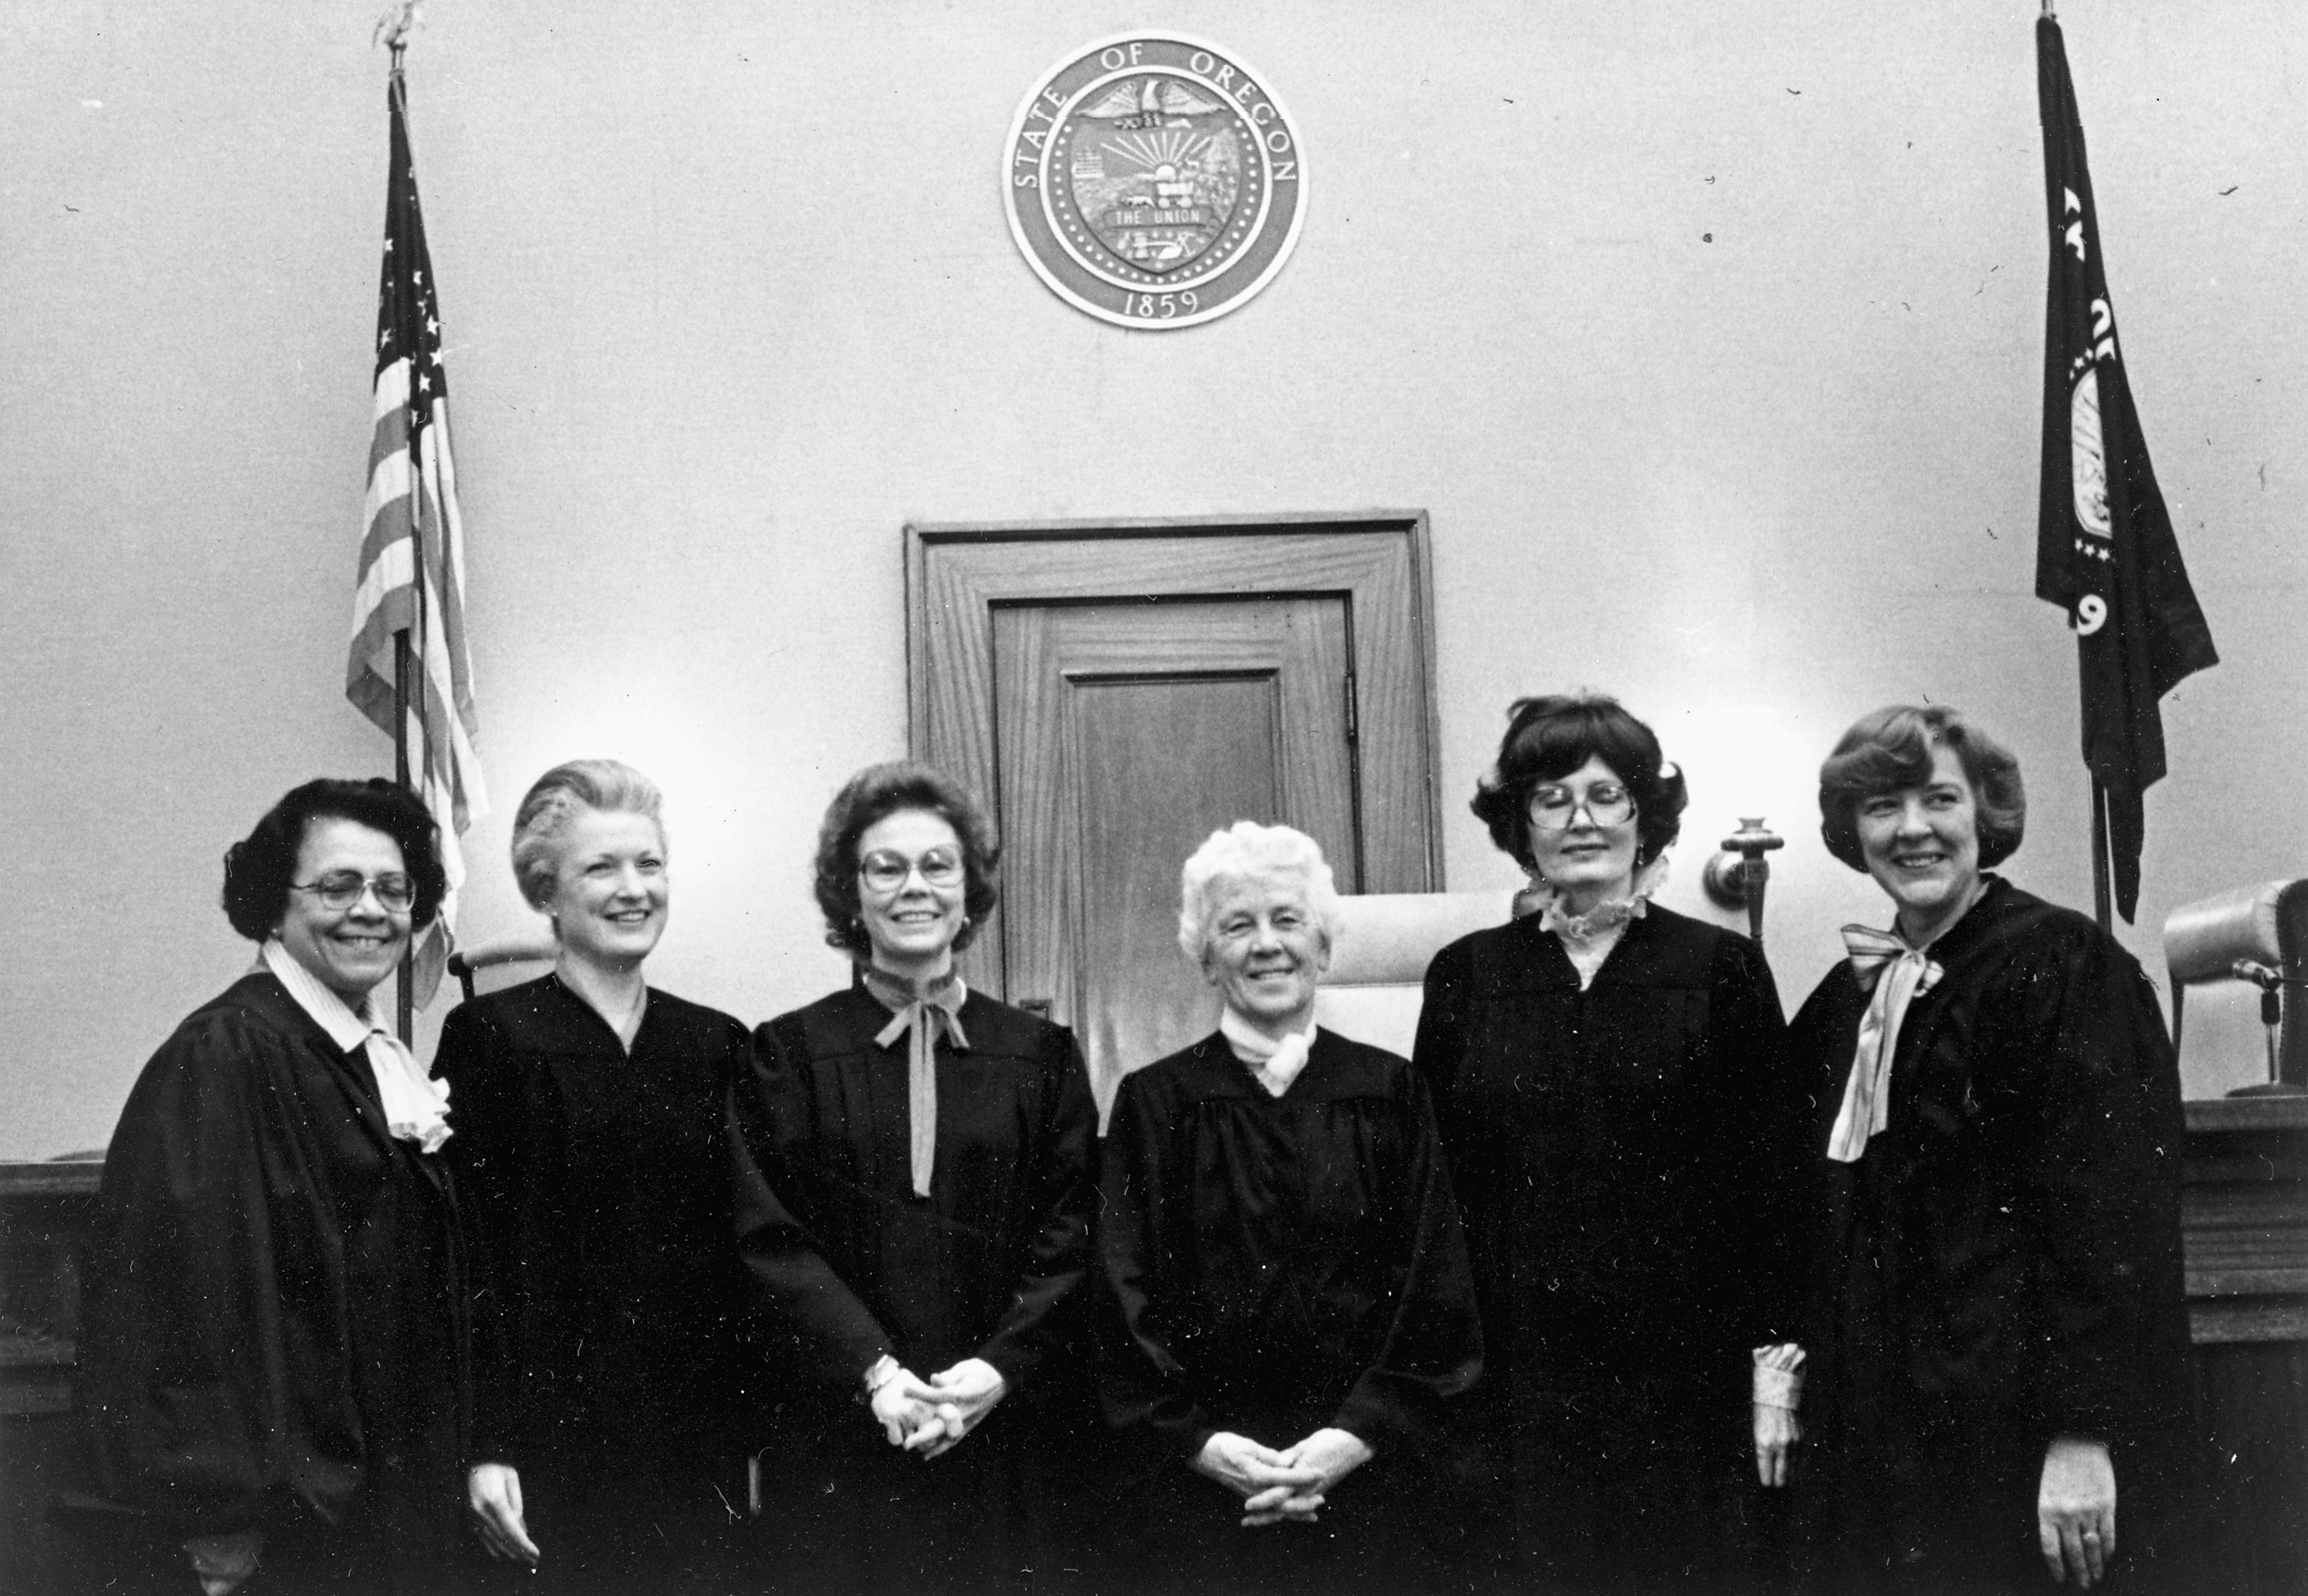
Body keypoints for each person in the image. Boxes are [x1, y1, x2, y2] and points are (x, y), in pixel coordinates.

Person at [1789, 704, 2195, 1594]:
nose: (1913, 829)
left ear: (1984, 815)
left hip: (2017, 1441)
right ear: (1854, 830)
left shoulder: (2064, 965)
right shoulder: (1842, 1001)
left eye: (1939, 798)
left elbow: (2115, 1220)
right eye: (1883, 806)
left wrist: (2083, 1434)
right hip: (1881, 1444)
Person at [1412, 694, 1806, 1592]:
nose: (1580, 819)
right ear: (1521, 825)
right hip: (1514, 1380)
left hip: (1684, 1375)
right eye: (1551, 798)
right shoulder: (1466, 974)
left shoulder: (1722, 968)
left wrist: (1773, 1370)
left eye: (1605, 794)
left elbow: (1775, 1188)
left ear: (1643, 815)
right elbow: (1433, 1192)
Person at [69, 779, 465, 1595]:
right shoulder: (226, 1054)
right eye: (338, 886)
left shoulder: (360, 1056)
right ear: (273, 906)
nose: (370, 910)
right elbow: (194, 1303)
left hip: (382, 1498)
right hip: (283, 1524)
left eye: (393, 889)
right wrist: (223, 1510)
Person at [728, 760, 1099, 1593]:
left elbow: (1073, 1231)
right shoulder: (787, 1054)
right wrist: (877, 1372)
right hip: (845, 1431)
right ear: (850, 895)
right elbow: (769, 1238)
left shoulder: (1040, 1056)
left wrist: (997, 1370)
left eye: (938, 865)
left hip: (1004, 1429)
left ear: (970, 890)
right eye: (885, 868)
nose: (914, 887)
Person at [1096, 821, 1483, 1595]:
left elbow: (1433, 1284)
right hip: (1203, 1488)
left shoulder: (1392, 1092)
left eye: (1288, 919)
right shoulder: (1155, 1103)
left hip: (1370, 1477)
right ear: (1206, 958)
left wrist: (1352, 1437)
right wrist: (1201, 1442)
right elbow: (1121, 1293)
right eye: (1237, 925)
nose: (1267, 944)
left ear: (1325, 946)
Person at [435, 761, 756, 1593]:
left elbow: (753, 1252)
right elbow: (467, 1257)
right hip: (545, 1446)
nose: (633, 889)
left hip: (694, 1443)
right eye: (601, 867)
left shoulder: (719, 1045)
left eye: (649, 864)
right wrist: (486, 1443)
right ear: (547, 890)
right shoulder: (491, 1038)